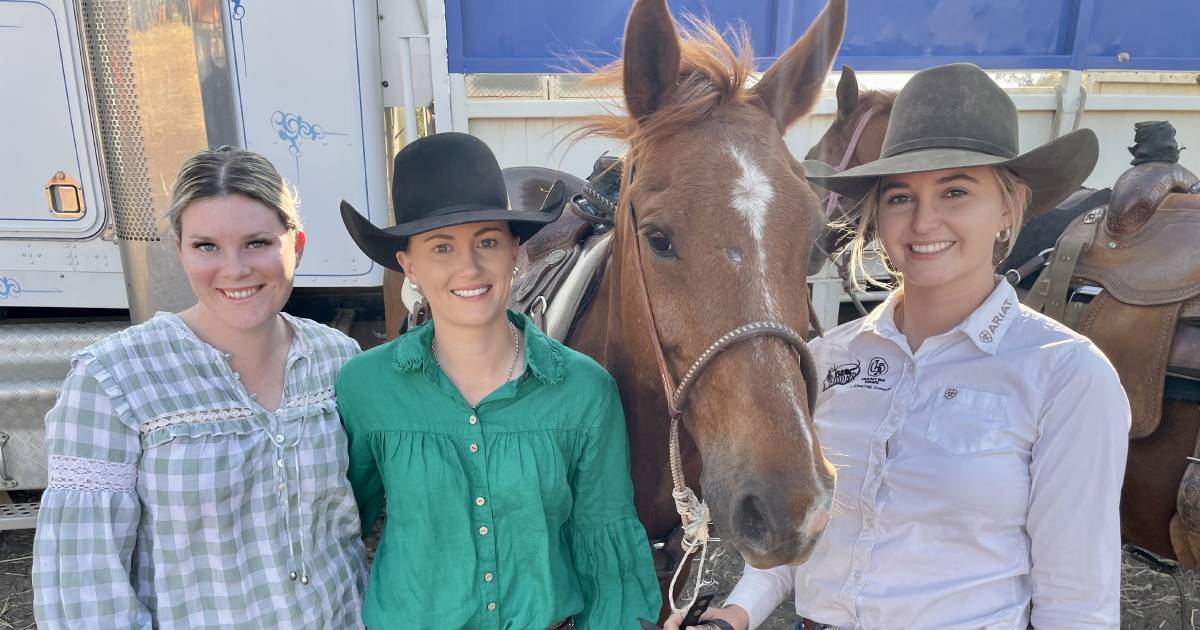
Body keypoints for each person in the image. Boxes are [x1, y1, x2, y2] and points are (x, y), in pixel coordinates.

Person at [672, 63, 1130, 629]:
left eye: (956, 191)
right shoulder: (826, 359)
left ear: (1010, 208)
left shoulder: (1065, 375)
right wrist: (737, 613)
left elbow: (1077, 601)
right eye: (899, 198)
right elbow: (808, 530)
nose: (924, 221)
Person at [337, 132, 661, 629]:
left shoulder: (583, 391)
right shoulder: (364, 388)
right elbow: (340, 526)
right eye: (441, 247)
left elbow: (604, 542)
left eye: (486, 241)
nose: (469, 266)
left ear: (515, 251)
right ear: (409, 266)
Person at [33, 147, 367, 628]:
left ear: (296, 246)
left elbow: (345, 526)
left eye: (257, 242)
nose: (234, 269)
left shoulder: (337, 358)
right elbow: (84, 588)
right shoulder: (114, 379)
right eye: (207, 245)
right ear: (181, 252)